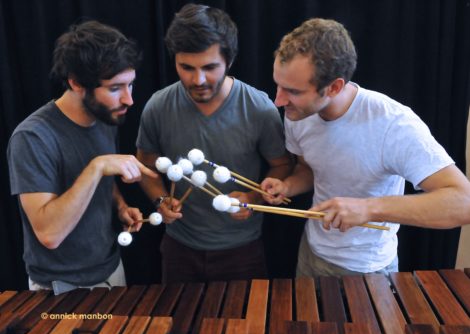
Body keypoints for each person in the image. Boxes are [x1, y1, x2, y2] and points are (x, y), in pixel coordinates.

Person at [261, 18, 470, 278]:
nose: (278, 100)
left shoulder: (392, 123)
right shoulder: (298, 113)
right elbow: (309, 168)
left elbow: (463, 202)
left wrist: (368, 209)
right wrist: (288, 186)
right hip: (312, 252)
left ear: (334, 87)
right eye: (278, 84)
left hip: (369, 269)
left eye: (292, 90)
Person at [136, 4, 292, 283]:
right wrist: (161, 199)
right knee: (178, 326)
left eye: (209, 67)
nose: (198, 80)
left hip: (242, 251)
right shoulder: (158, 106)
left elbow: (281, 165)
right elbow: (145, 164)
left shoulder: (259, 108)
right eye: (186, 68)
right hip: (179, 249)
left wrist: (253, 199)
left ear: (229, 61)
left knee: (244, 327)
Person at [7, 20, 157, 294]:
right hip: (59, 288)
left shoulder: (105, 116)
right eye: (115, 88)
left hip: (112, 270)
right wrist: (97, 167)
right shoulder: (32, 138)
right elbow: (49, 234)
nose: (129, 100)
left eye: (130, 85)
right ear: (76, 83)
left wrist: (120, 206)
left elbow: (103, 182)